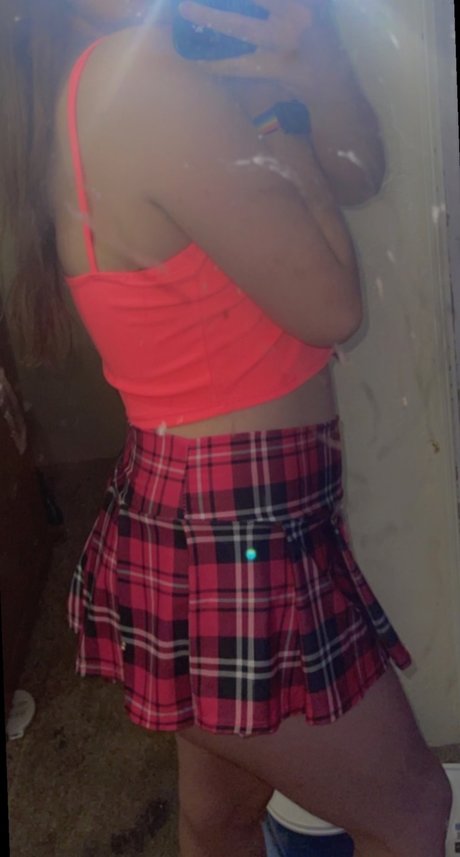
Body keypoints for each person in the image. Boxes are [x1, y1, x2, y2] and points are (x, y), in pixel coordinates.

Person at [1, 1, 452, 855]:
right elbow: (333, 306)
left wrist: (317, 68)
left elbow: (358, 173)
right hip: (236, 532)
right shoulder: (139, 83)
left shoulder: (128, 72)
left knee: (219, 819)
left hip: (210, 515)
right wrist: (283, 120)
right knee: (415, 812)